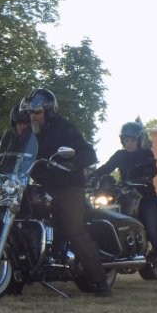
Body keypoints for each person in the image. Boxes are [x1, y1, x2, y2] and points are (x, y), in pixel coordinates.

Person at [19, 86, 112, 297]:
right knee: (22, 218)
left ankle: (100, 281)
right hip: (42, 186)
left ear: (48, 111)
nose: (32, 116)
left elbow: (89, 153)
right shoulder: (29, 134)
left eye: (36, 111)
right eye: (30, 112)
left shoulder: (64, 128)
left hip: (68, 186)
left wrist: (73, 164)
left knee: (73, 228)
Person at [93, 121, 157, 282]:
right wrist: (91, 176)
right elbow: (106, 168)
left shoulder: (146, 153)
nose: (129, 143)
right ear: (122, 140)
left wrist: (146, 176)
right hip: (125, 195)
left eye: (132, 140)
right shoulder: (120, 155)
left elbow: (153, 168)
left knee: (152, 231)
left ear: (139, 140)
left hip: (146, 197)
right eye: (126, 139)